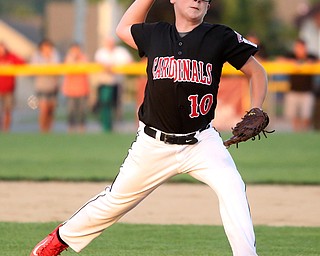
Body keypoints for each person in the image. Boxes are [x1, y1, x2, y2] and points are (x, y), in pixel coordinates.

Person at [30, 0, 268, 255]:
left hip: (202, 141)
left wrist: (256, 108)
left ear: (208, 6)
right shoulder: (156, 34)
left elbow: (257, 72)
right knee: (115, 201)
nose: (197, 0)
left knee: (233, 188)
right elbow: (123, 29)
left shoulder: (220, 36)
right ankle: (59, 238)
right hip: (153, 143)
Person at [94, 36, 133, 131]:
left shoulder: (120, 52)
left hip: (117, 82)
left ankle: (114, 123)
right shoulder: (101, 52)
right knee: (105, 102)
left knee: (115, 104)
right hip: (105, 82)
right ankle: (106, 124)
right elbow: (99, 63)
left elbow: (130, 62)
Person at [283, 38, 317, 131]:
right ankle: (296, 132)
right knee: (294, 117)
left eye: (302, 47)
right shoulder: (291, 56)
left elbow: (317, 62)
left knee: (306, 116)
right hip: (293, 91)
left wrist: (309, 63)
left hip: (307, 92)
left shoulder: (311, 57)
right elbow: (280, 60)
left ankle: (304, 132)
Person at [31, 39, 61, 133]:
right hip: (41, 86)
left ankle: (49, 130)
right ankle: (42, 130)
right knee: (43, 109)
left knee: (51, 109)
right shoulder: (37, 56)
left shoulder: (55, 55)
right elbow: (34, 68)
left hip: (53, 86)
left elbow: (57, 68)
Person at [62, 43, 90, 133]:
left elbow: (85, 68)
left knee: (82, 109)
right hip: (70, 89)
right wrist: (73, 59)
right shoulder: (68, 58)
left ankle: (82, 126)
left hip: (82, 88)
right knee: (71, 110)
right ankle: (71, 126)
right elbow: (68, 68)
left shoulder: (84, 58)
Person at [0, 41, 25, 132]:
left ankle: (6, 129)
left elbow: (22, 62)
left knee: (7, 110)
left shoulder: (11, 57)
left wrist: (11, 53)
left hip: (9, 89)